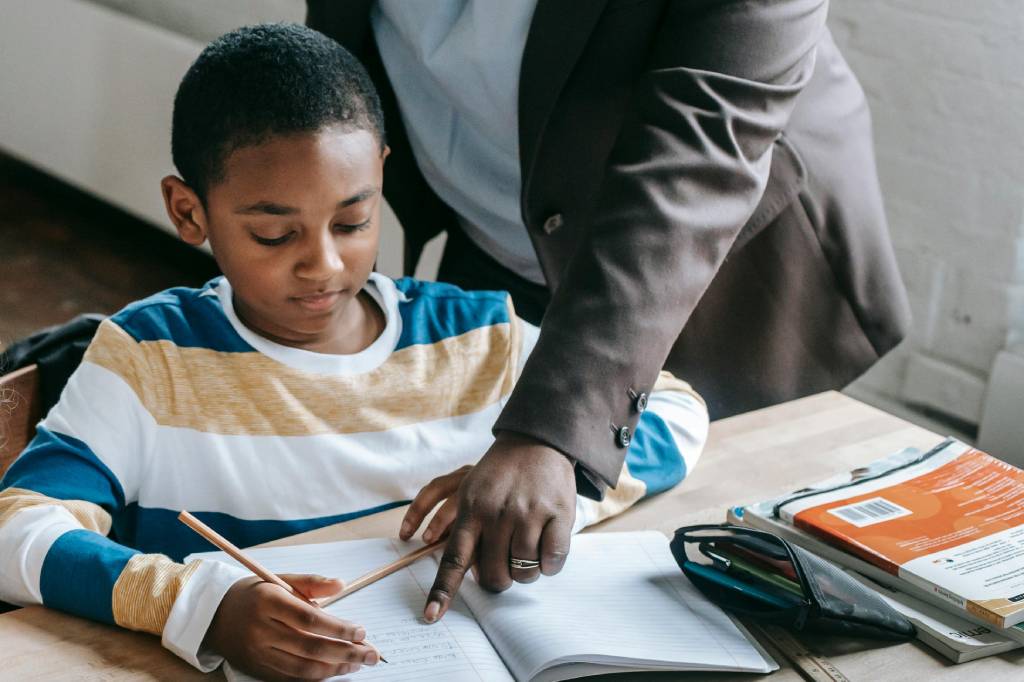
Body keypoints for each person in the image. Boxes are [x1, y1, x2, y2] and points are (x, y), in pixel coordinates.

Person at [0, 24, 709, 681]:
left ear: (380, 177)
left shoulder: (475, 334)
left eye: (353, 220)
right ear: (190, 211)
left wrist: (549, 484)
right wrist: (197, 604)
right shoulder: (150, 358)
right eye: (275, 235)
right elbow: (17, 528)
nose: (325, 265)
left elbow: (676, 411)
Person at [305, 0, 912, 611]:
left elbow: (695, 164)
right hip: (489, 239)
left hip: (722, 278)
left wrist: (550, 431)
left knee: (728, 565)